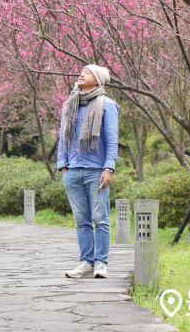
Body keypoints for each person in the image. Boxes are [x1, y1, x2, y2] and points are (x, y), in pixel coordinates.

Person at [57, 63, 120, 279]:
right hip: (73, 171)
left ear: (99, 79)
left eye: (88, 72)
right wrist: (63, 166)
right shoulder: (70, 105)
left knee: (100, 218)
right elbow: (63, 139)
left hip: (97, 171)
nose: (82, 74)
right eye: (82, 71)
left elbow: (112, 140)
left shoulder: (108, 105)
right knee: (81, 219)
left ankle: (101, 263)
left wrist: (109, 167)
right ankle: (86, 262)